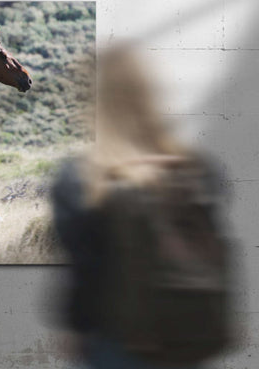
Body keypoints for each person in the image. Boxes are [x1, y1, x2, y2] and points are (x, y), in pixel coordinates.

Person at [51, 44, 232, 368]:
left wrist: (76, 328)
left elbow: (84, 276)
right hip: (188, 338)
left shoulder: (81, 178)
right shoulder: (199, 170)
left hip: (116, 343)